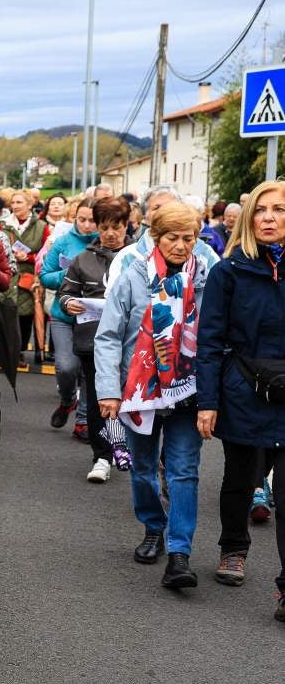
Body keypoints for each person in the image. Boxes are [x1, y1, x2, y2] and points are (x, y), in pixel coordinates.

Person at [95, 202, 211, 589]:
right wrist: (109, 391)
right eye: (173, 238)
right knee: (143, 470)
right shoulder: (132, 276)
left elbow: (214, 336)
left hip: (188, 390)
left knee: (183, 472)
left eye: (189, 238)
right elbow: (109, 336)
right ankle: (153, 526)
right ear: (156, 237)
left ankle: (180, 553)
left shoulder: (206, 276)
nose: (181, 246)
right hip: (140, 391)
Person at [195, 180, 285, 604]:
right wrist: (208, 402)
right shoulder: (227, 270)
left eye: (279, 209)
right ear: (249, 219)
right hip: (244, 389)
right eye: (261, 210)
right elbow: (209, 341)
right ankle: (233, 548)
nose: (269, 217)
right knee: (241, 476)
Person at [58, 196, 133, 483]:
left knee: (130, 399)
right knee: (98, 398)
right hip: (93, 341)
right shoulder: (83, 259)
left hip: (132, 342)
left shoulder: (138, 258)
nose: (111, 233)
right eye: (105, 227)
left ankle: (128, 449)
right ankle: (101, 456)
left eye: (117, 226)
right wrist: (68, 303)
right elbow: (66, 291)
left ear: (128, 225)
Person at [40, 198, 98, 441]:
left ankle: (83, 420)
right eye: (81, 219)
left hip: (93, 316)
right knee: (66, 366)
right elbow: (45, 275)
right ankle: (67, 400)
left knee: (88, 370)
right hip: (63, 315)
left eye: (92, 220)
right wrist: (71, 273)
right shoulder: (63, 241)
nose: (86, 225)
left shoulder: (104, 244)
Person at [0, 190, 50, 361]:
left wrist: (28, 257)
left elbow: (48, 254)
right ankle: (12, 351)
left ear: (30, 205)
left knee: (26, 315)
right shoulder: (3, 224)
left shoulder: (42, 226)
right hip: (9, 275)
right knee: (7, 313)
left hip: (29, 277)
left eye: (19, 202)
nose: (15, 206)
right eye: (13, 203)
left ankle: (20, 348)